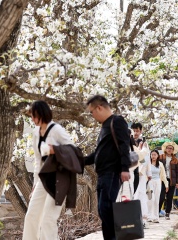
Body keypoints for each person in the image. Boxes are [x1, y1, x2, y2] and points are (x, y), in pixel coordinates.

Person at [82, 95, 132, 240]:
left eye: (92, 112)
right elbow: (99, 152)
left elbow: (124, 145)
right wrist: (81, 161)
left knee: (106, 208)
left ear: (99, 108)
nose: (92, 115)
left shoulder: (117, 121)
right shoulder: (105, 125)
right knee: (104, 210)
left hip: (111, 173)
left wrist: (125, 168)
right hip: (103, 174)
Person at [23, 101, 74, 240]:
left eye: (34, 116)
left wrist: (54, 150)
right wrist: (35, 184)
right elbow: (38, 161)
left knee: (48, 220)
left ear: (41, 114)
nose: (32, 119)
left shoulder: (56, 130)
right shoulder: (36, 133)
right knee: (31, 215)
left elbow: (73, 151)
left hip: (60, 178)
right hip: (44, 178)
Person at [131, 122, 150, 225]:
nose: (135, 133)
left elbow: (146, 160)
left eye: (137, 131)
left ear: (141, 131)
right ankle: (133, 218)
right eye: (134, 130)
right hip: (131, 171)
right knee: (132, 194)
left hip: (141, 173)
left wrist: (148, 172)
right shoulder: (129, 141)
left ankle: (143, 219)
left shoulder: (144, 143)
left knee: (141, 194)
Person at [159, 141, 178, 220]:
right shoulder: (160, 157)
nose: (169, 150)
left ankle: (167, 213)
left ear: (173, 150)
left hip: (172, 181)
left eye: (171, 148)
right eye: (168, 148)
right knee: (161, 197)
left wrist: (177, 182)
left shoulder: (175, 160)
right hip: (162, 180)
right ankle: (157, 212)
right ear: (165, 149)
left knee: (169, 197)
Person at [145, 149, 167, 222]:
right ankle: (149, 216)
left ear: (157, 156)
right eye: (152, 155)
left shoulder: (160, 164)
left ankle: (155, 217)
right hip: (150, 182)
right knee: (150, 199)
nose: (153, 156)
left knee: (157, 200)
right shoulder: (147, 163)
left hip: (158, 182)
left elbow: (163, 175)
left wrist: (166, 184)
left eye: (155, 155)